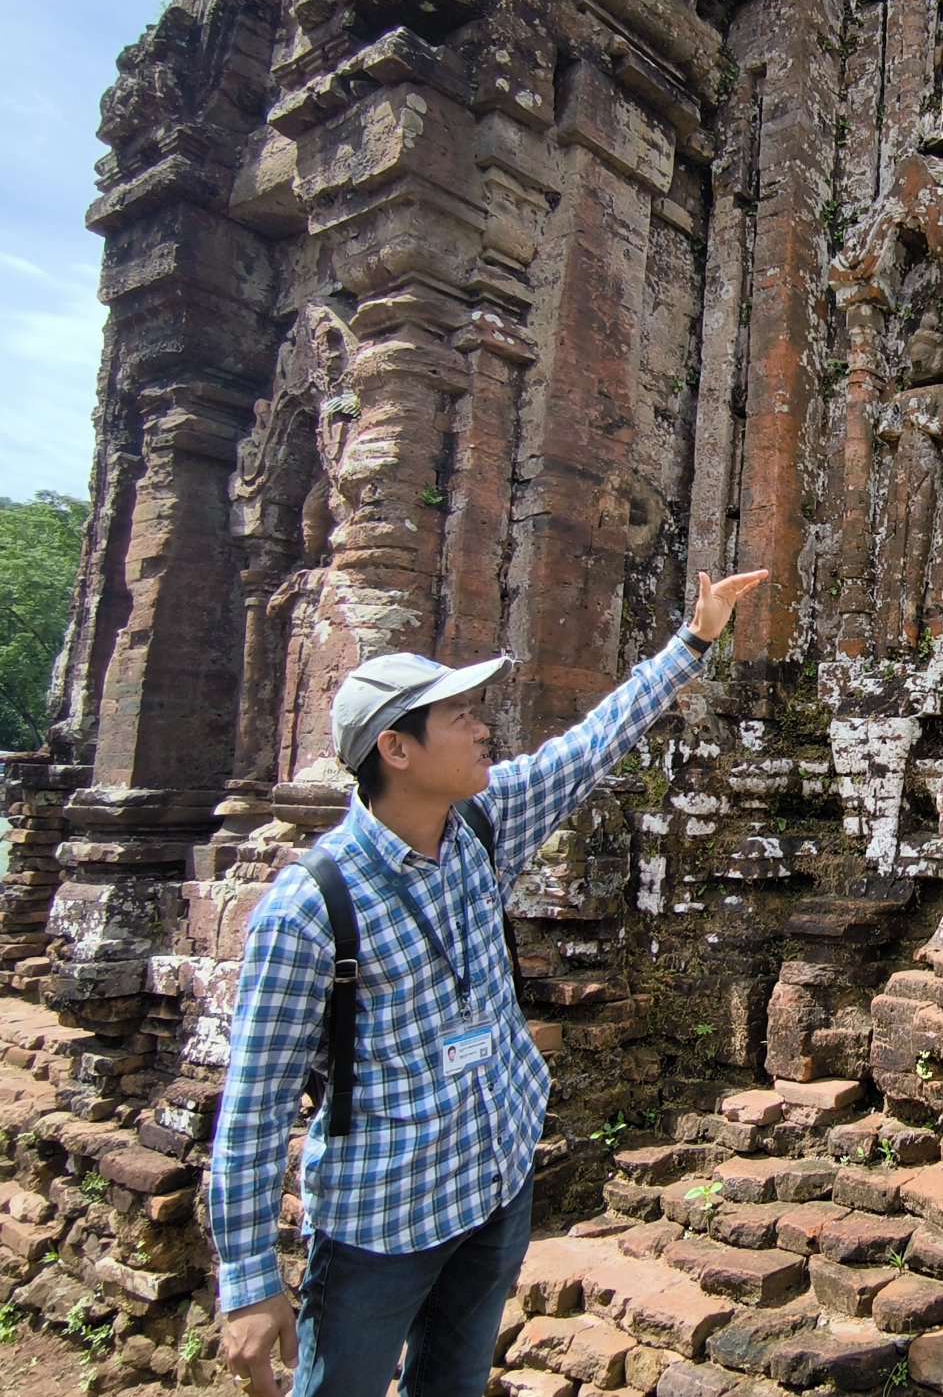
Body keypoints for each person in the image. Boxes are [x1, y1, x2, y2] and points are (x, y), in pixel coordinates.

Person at [211, 568, 769, 1397]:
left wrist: (695, 638)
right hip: (382, 1221)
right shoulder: (308, 910)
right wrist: (250, 1281)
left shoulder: (480, 823)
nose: (483, 729)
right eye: (460, 717)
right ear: (396, 750)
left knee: (455, 1384)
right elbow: (255, 1105)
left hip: (494, 1183)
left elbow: (594, 743)